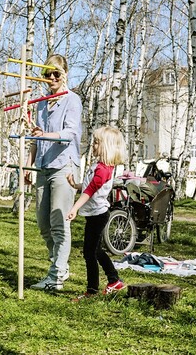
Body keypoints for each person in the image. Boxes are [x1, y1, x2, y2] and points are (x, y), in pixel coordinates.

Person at [25, 54, 82, 290]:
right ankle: (60, 265)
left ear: (64, 74)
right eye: (47, 74)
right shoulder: (40, 103)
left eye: (56, 73)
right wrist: (28, 164)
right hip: (42, 165)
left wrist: (45, 135)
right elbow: (35, 137)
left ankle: (56, 275)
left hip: (64, 166)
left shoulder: (72, 100)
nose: (51, 78)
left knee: (59, 223)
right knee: (43, 224)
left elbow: (70, 134)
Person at [66, 126, 127, 301]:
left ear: (106, 146)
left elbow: (91, 190)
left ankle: (92, 291)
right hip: (94, 215)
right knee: (95, 250)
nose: (93, 145)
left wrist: (74, 208)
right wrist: (75, 184)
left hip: (98, 215)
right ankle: (114, 280)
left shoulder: (103, 170)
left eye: (97, 143)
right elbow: (87, 187)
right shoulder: (99, 166)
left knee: (89, 253)